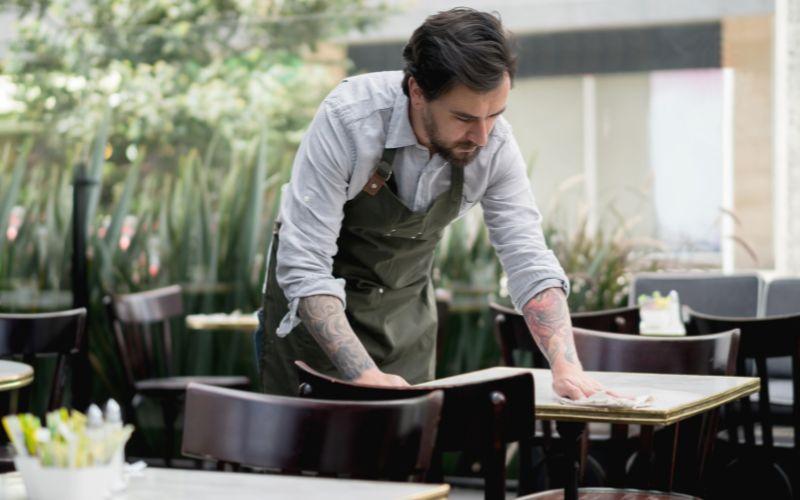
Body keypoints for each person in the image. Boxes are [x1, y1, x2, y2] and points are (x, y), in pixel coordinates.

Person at [256, 7, 604, 400]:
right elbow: (303, 263)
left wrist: (566, 366)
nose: (483, 136)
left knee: (403, 459)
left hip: (405, 329)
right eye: (464, 117)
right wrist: (364, 374)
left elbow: (528, 258)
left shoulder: (495, 145)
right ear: (417, 91)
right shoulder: (350, 119)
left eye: (495, 115)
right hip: (315, 345)